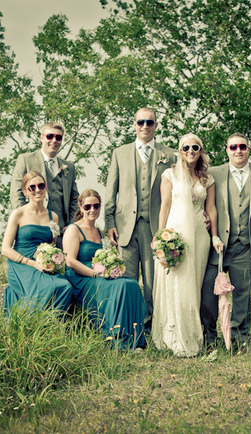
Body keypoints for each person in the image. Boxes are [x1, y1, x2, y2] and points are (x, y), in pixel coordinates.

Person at [104, 107, 176, 332]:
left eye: (150, 122)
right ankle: (128, 328)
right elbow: (111, 191)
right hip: (125, 227)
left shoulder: (169, 155)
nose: (145, 126)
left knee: (154, 282)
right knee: (127, 280)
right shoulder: (120, 153)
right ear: (134, 124)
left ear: (156, 125)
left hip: (156, 227)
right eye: (141, 122)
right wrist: (109, 223)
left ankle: (150, 328)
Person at [152, 133, 224, 357]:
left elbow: (211, 209)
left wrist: (214, 236)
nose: (190, 151)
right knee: (176, 284)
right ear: (179, 150)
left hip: (200, 237)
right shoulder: (169, 174)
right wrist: (161, 236)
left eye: (195, 147)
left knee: (193, 287)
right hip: (176, 235)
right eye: (186, 148)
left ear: (201, 150)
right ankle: (174, 336)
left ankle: (194, 335)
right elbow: (164, 205)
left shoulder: (207, 178)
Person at [200, 133, 251, 352]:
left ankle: (240, 341)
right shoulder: (213, 173)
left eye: (242, 146)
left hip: (247, 246)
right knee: (208, 295)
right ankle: (210, 338)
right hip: (218, 244)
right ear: (227, 150)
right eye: (233, 147)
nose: (238, 150)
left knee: (243, 296)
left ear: (249, 148)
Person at [63, 189, 146, 351]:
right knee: (120, 287)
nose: (92, 210)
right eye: (87, 207)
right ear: (81, 207)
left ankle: (134, 338)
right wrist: (95, 274)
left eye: (96, 206)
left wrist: (113, 268)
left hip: (98, 275)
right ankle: (117, 340)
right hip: (81, 278)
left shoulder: (99, 232)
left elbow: (105, 257)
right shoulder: (74, 229)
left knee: (131, 284)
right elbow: (70, 261)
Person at [1, 171, 73, 314]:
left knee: (66, 286)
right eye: (32, 187)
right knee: (49, 288)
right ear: (25, 192)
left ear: (45, 188)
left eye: (41, 186)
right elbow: (5, 249)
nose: (37, 190)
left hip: (43, 263)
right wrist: (33, 263)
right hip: (22, 265)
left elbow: (52, 246)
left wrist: (52, 262)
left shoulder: (53, 216)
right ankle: (31, 323)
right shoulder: (18, 214)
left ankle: (50, 324)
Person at [10, 122, 80, 245]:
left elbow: (74, 199)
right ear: (42, 137)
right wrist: (25, 222)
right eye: (50, 136)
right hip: (33, 231)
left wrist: (70, 225)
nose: (54, 140)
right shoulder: (26, 160)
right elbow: (16, 193)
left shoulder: (69, 167)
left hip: (61, 233)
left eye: (58, 137)